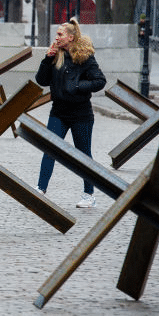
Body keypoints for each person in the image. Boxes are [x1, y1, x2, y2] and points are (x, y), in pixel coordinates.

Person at [34, 18, 106, 208]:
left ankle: (89, 195)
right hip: (58, 112)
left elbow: (100, 81)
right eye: (56, 34)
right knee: (49, 149)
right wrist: (47, 59)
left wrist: (78, 86)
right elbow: (41, 80)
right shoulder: (55, 56)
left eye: (60, 34)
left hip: (81, 114)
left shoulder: (85, 57)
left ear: (71, 37)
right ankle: (40, 189)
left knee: (83, 155)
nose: (56, 38)